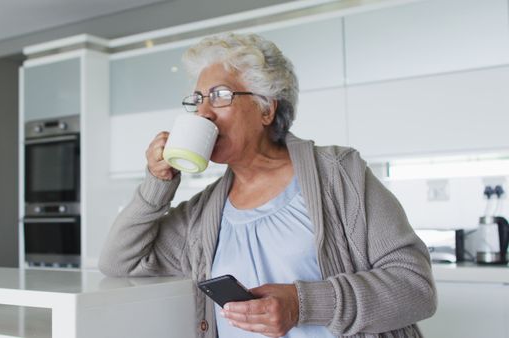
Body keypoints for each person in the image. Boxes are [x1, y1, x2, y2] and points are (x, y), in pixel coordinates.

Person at [99, 32, 436, 338]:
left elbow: (415, 288)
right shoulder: (203, 215)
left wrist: (302, 304)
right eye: (197, 99)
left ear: (266, 109)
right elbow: (119, 261)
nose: (202, 112)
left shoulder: (338, 174)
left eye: (219, 96)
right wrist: (158, 182)